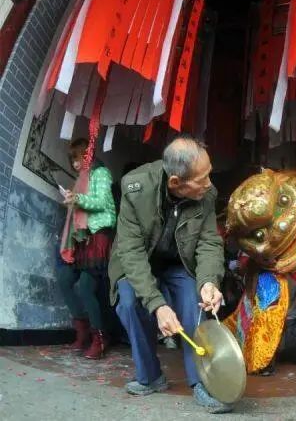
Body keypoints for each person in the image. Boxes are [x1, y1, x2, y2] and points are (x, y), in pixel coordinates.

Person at [109, 136, 231, 414]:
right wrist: (158, 305)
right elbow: (131, 252)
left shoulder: (207, 194)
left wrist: (209, 281)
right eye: (202, 179)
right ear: (176, 182)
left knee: (195, 302)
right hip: (140, 259)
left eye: (209, 174)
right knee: (129, 302)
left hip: (179, 262)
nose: (209, 183)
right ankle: (150, 376)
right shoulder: (135, 188)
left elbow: (209, 242)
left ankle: (203, 382)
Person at [57, 138, 116, 359]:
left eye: (78, 158)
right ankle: (82, 329)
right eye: (72, 160)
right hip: (82, 237)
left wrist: (78, 199)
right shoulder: (81, 178)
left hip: (98, 235)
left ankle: (99, 337)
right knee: (64, 279)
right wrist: (73, 200)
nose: (75, 164)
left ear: (88, 155)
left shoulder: (101, 173)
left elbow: (101, 202)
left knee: (85, 287)